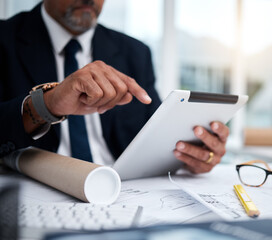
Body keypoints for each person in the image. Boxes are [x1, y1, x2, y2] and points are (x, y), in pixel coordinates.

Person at [0, 0, 229, 174]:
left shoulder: (135, 53)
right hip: (33, 191)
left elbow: (156, 136)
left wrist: (191, 154)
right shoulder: (5, 39)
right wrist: (47, 104)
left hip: (122, 191)